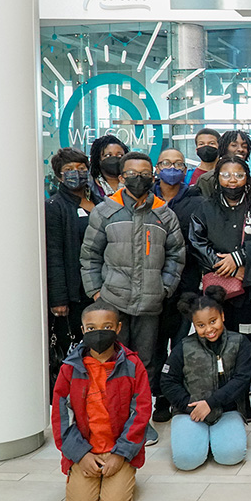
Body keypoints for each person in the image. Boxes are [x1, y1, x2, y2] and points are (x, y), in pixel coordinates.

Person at [81, 151, 186, 446]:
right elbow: (89, 255)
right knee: (112, 361)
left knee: (145, 362)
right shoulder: (105, 211)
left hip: (150, 302)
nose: (137, 179)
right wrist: (97, 293)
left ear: (152, 176)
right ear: (122, 176)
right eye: (131, 173)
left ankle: (142, 422)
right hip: (112, 303)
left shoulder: (164, 213)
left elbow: (177, 256)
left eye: (144, 174)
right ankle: (114, 420)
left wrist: (164, 287)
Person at [189, 155, 251, 402]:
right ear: (218, 177)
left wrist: (239, 258)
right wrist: (223, 265)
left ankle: (243, 390)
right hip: (216, 289)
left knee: (244, 340)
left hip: (249, 289)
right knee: (215, 337)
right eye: (226, 175)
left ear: (247, 178)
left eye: (239, 175)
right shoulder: (205, 208)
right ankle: (218, 390)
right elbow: (196, 241)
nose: (233, 181)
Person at [50, 301, 151, 501]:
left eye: (107, 327)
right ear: (83, 330)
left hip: (119, 449)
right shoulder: (69, 368)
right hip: (85, 448)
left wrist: (121, 454)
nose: (99, 333)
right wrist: (81, 454)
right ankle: (86, 473)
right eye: (91, 328)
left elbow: (140, 413)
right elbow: (61, 418)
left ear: (118, 328)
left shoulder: (133, 366)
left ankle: (125, 472)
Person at [161, 286, 251, 470]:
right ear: (194, 325)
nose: (209, 329)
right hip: (190, 411)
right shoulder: (184, 347)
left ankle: (216, 438)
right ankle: (198, 439)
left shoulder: (240, 343)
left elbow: (241, 380)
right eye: (201, 325)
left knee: (231, 456)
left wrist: (211, 403)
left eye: (213, 321)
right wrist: (191, 405)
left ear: (223, 316)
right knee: (186, 461)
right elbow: (167, 381)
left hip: (227, 410)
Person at [151, 147, 204, 422]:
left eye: (179, 164)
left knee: (182, 343)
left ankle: (180, 396)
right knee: (156, 344)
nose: (173, 168)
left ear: (185, 170)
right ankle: (160, 397)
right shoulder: (146, 199)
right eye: (167, 163)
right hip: (152, 284)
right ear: (157, 168)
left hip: (187, 284)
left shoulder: (195, 200)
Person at [46, 148, 104, 383]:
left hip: (101, 288)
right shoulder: (54, 206)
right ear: (59, 176)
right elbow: (53, 253)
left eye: (81, 169)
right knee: (76, 350)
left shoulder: (99, 202)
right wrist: (59, 298)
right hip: (73, 291)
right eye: (69, 170)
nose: (76, 174)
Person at [196, 130, 251, 197]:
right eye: (234, 145)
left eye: (244, 146)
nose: (240, 149)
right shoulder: (206, 181)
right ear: (224, 148)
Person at [87, 134, 128, 199]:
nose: (114, 158)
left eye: (120, 155)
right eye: (108, 155)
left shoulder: (135, 184)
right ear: (98, 159)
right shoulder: (88, 188)